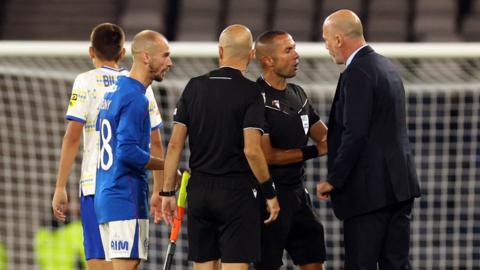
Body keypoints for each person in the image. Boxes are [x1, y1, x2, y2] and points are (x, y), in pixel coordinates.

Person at [160, 24, 280, 270]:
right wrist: (270, 192)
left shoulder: (194, 87)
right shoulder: (252, 92)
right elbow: (252, 150)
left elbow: (174, 146)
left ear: (220, 51)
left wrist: (167, 193)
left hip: (200, 191)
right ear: (252, 54)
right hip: (237, 193)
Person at [51, 23, 165, 270]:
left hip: (94, 187)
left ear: (91, 51)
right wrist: (159, 188)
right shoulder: (138, 85)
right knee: (127, 262)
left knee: (98, 264)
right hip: (124, 186)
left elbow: (71, 138)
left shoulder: (85, 82)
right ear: (123, 52)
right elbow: (155, 141)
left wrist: (60, 186)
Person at [316, 10, 421, 270]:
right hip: (398, 187)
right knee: (396, 264)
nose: (326, 46)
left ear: (339, 39)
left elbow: (355, 133)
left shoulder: (358, 72)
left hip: (369, 193)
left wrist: (334, 179)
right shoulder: (386, 66)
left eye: (327, 39)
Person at [94, 30, 172, 270]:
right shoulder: (136, 98)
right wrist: (169, 167)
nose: (170, 62)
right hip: (124, 197)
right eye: (165, 55)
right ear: (146, 57)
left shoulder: (114, 92)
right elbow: (127, 152)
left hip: (107, 195)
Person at [254, 30, 327, 270]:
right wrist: (315, 151)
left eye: (295, 48)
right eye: (288, 50)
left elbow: (325, 136)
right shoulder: (256, 98)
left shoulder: (298, 94)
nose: (297, 55)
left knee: (314, 258)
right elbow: (267, 155)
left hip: (298, 194)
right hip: (268, 197)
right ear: (268, 60)